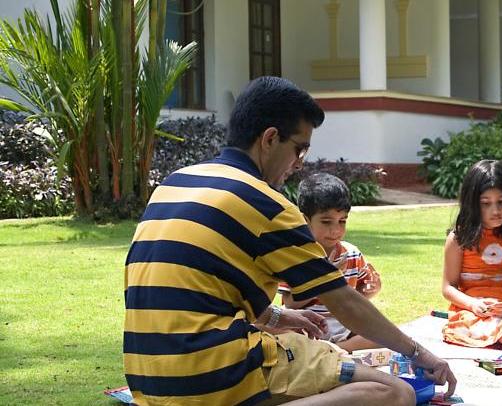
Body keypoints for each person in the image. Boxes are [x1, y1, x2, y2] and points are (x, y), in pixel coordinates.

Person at [123, 76, 456, 406]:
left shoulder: (174, 183)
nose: (299, 164)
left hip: (148, 378)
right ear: (270, 139)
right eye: (300, 149)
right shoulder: (265, 204)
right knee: (394, 393)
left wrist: (275, 318)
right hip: (211, 377)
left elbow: (197, 291)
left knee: (313, 356)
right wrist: (418, 351)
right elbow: (345, 303)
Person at [279, 172, 383, 352]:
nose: (335, 230)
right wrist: (322, 280)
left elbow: (362, 293)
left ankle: (332, 349)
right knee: (277, 332)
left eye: (342, 221)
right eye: (326, 222)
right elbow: (289, 303)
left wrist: (370, 290)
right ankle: (328, 351)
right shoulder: (296, 256)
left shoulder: (351, 254)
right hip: (305, 326)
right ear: (305, 220)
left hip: (343, 326)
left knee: (381, 334)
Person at [441, 160, 502, 358]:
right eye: (485, 203)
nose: (496, 211)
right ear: (472, 203)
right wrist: (473, 304)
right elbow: (448, 287)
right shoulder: (458, 239)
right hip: (474, 309)